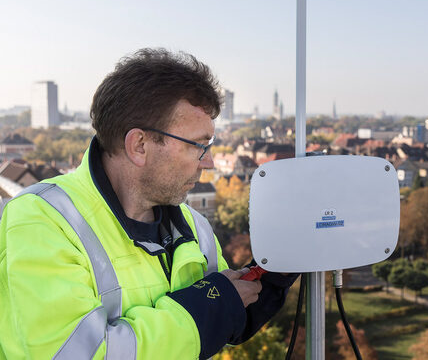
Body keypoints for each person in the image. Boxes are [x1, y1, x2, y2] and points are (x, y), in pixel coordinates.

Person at [0, 48, 297, 359]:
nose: (208, 162)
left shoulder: (194, 227)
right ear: (139, 145)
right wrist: (211, 306)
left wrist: (273, 273)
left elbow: (225, 316)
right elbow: (78, 353)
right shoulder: (42, 219)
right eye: (198, 146)